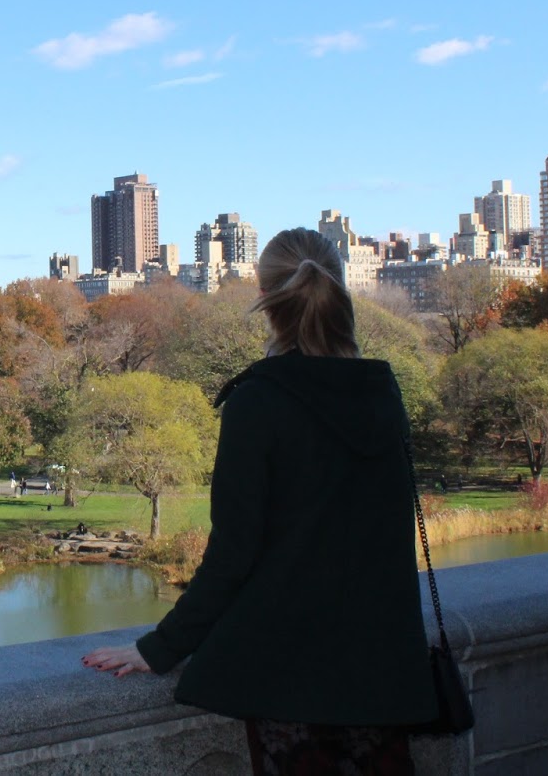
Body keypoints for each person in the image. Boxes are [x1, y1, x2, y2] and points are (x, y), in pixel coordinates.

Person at [82, 227, 437, 773]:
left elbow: (233, 554)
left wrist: (159, 648)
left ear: (267, 299)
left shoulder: (259, 401)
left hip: (288, 674)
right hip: (380, 668)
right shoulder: (383, 395)